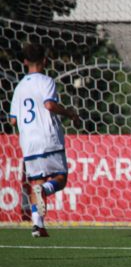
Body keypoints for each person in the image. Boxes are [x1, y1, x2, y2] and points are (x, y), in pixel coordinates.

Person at [9, 43, 80, 237]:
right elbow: (49, 104)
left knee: (36, 182)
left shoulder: (19, 87)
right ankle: (46, 191)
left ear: (24, 62)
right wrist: (69, 113)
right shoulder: (47, 81)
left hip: (29, 141)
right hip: (48, 136)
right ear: (45, 60)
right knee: (60, 179)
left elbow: (13, 120)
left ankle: (38, 226)